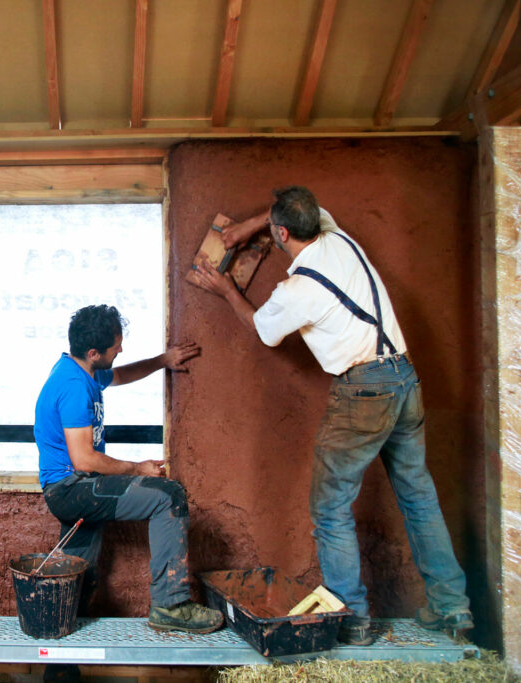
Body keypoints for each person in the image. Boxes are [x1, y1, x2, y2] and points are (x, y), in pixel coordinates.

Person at [190, 186, 472, 645]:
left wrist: (225, 289)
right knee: (419, 498)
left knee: (330, 507)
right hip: (404, 376)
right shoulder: (338, 238)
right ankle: (452, 608)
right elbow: (309, 210)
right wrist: (254, 224)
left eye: (273, 228)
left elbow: (263, 330)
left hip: (363, 391)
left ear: (282, 232)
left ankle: (352, 618)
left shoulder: (299, 289)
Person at [34, 304, 222, 634]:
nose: (121, 349)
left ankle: (59, 652)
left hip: (78, 487)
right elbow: (85, 459)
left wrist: (164, 360)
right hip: (72, 488)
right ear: (93, 352)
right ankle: (171, 604)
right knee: (169, 497)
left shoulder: (82, 370)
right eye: (115, 346)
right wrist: (137, 469)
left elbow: (121, 374)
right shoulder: (74, 387)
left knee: (77, 575)